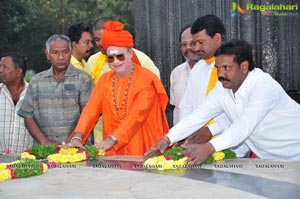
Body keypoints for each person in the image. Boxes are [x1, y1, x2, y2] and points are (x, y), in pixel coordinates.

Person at [145, 40, 300, 164]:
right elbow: (199, 116)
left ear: (244, 66)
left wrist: (210, 147)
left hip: (295, 153)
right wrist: (168, 138)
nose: (221, 74)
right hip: (273, 160)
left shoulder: (264, 87)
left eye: (227, 68)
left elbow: (243, 126)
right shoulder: (223, 88)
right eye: (218, 68)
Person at [67, 21, 169, 156]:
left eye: (120, 56)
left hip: (142, 146)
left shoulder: (146, 80)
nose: (115, 61)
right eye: (110, 58)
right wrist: (78, 136)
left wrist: (113, 139)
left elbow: (137, 116)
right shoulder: (105, 80)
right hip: (113, 149)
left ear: (131, 53)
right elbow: (91, 109)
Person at [180, 15, 248, 157]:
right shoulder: (198, 69)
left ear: (217, 38)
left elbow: (242, 113)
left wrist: (211, 130)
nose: (196, 48)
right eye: (194, 43)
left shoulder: (236, 68)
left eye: (200, 42)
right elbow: (187, 106)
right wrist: (184, 134)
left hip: (233, 147)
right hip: (199, 148)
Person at [86, 17, 161, 143]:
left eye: (120, 57)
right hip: (104, 130)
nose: (101, 43)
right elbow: (92, 104)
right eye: (97, 40)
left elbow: (151, 102)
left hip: (138, 130)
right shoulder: (93, 62)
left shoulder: (143, 61)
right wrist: (78, 134)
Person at [18, 34, 94, 145]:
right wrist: (45, 143)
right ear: (47, 54)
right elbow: (27, 116)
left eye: (65, 52)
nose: (61, 57)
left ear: (71, 52)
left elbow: (88, 115)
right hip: (44, 152)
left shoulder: (83, 79)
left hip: (77, 148)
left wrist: (68, 143)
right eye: (55, 52)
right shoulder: (36, 81)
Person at [0, 52, 33, 153]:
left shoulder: (33, 94)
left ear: (18, 72)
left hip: (27, 162)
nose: (0, 70)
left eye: (5, 67)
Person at [170, 24, 200, 125]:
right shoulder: (176, 73)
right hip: (182, 138)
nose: (188, 48)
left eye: (192, 43)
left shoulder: (215, 72)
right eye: (184, 44)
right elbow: (176, 110)